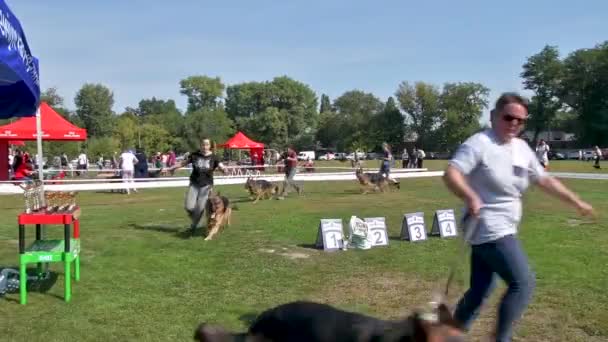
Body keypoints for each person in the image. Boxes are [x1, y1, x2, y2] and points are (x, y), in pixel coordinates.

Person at [443, 92, 594, 342]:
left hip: (500, 227)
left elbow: (543, 179)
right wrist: (470, 196)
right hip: (488, 226)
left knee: (481, 290)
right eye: (509, 117)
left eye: (521, 120)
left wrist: (575, 201)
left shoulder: (521, 148)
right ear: (494, 117)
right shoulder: (479, 143)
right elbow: (452, 174)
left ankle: (447, 336)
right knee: (523, 283)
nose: (514, 123)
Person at [164, 138, 226, 237]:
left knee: (200, 208)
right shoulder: (194, 155)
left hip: (206, 186)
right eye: (202, 144)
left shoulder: (214, 157)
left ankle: (193, 226)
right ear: (200, 145)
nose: (204, 146)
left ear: (210, 146)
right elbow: (182, 163)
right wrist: (171, 168)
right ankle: (196, 219)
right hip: (194, 184)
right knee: (189, 206)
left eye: (206, 144)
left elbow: (221, 165)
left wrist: (224, 169)